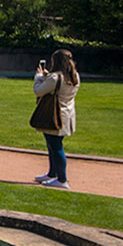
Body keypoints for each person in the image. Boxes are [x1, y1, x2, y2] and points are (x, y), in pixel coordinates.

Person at [33, 48, 80, 188]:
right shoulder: (75, 76)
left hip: (54, 114)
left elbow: (38, 91)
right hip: (67, 114)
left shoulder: (55, 78)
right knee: (52, 144)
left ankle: (62, 179)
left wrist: (38, 77)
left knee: (55, 146)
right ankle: (52, 173)